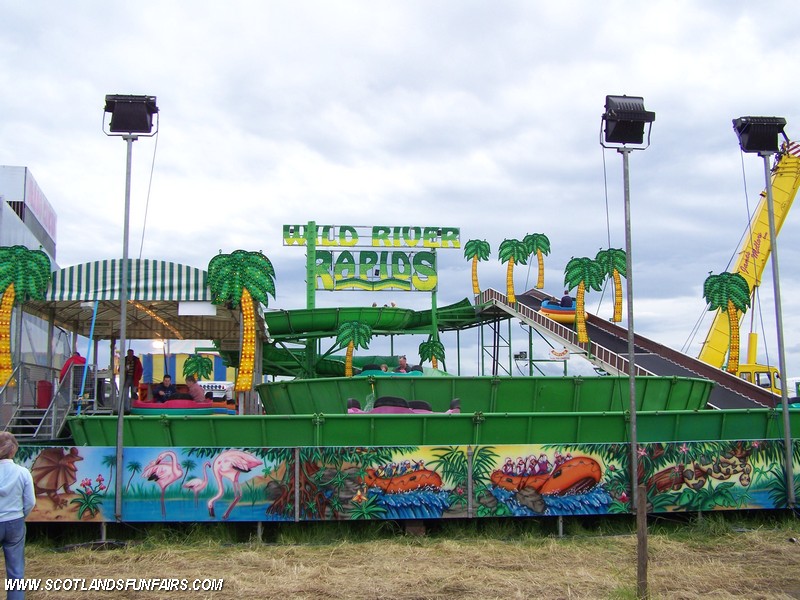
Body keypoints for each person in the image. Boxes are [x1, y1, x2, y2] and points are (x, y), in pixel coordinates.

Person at [0, 432, 35, 598]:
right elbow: (30, 502)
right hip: (15, 522)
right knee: (16, 571)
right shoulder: (23, 472)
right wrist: (21, 516)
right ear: (13, 450)